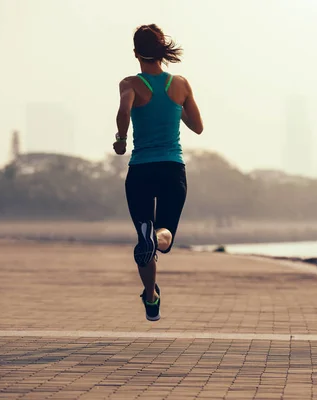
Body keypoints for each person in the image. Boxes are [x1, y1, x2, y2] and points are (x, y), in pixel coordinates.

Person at [113, 24, 204, 321]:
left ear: (136, 52)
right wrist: (175, 110)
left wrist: (122, 138)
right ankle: (158, 237)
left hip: (141, 169)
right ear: (162, 50)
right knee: (164, 234)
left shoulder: (130, 83)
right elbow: (197, 126)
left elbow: (125, 110)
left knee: (144, 240)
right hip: (172, 168)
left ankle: (151, 295)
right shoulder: (180, 84)